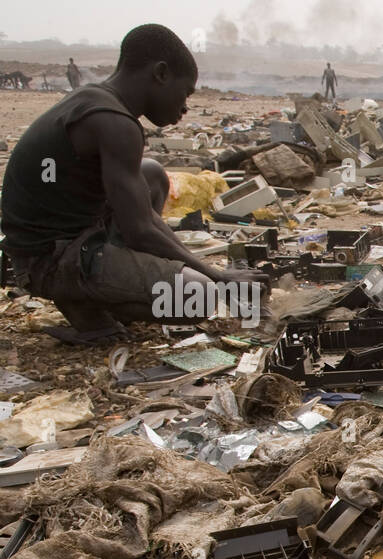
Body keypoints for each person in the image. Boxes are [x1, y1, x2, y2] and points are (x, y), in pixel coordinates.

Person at [1, 24, 268, 343]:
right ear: (161, 73)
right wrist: (219, 277)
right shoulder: (115, 123)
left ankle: (110, 291)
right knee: (200, 296)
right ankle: (86, 304)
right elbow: (139, 229)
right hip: (49, 259)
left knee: (153, 174)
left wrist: (193, 265)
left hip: (54, 239)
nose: (185, 107)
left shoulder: (94, 99)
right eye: (186, 92)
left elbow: (140, 214)